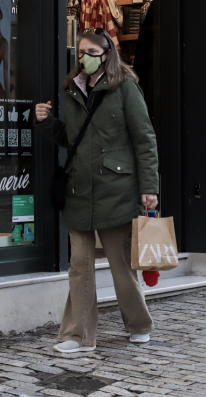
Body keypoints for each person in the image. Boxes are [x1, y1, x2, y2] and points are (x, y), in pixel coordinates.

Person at [34, 28, 159, 353]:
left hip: (116, 189)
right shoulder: (72, 88)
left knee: (120, 264)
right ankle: (78, 335)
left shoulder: (125, 87)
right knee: (79, 266)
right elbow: (72, 139)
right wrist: (46, 122)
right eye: (81, 52)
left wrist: (150, 188)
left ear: (106, 55)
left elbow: (145, 139)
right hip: (78, 189)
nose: (83, 58)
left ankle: (139, 324)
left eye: (90, 53)